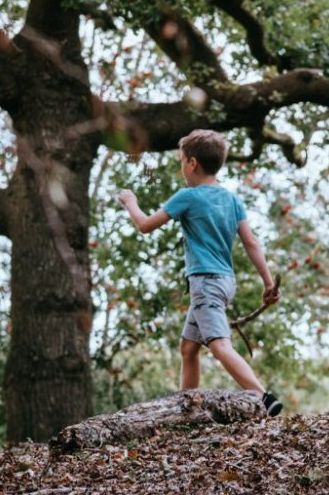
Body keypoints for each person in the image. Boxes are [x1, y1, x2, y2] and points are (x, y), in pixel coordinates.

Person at [117, 128, 285, 416]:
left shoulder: (188, 197)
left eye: (182, 160)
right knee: (189, 348)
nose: (181, 165)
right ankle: (188, 407)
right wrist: (268, 282)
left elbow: (145, 225)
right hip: (224, 282)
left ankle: (262, 397)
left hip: (206, 282)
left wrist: (130, 203)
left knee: (219, 345)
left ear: (192, 163)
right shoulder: (232, 199)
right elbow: (251, 243)